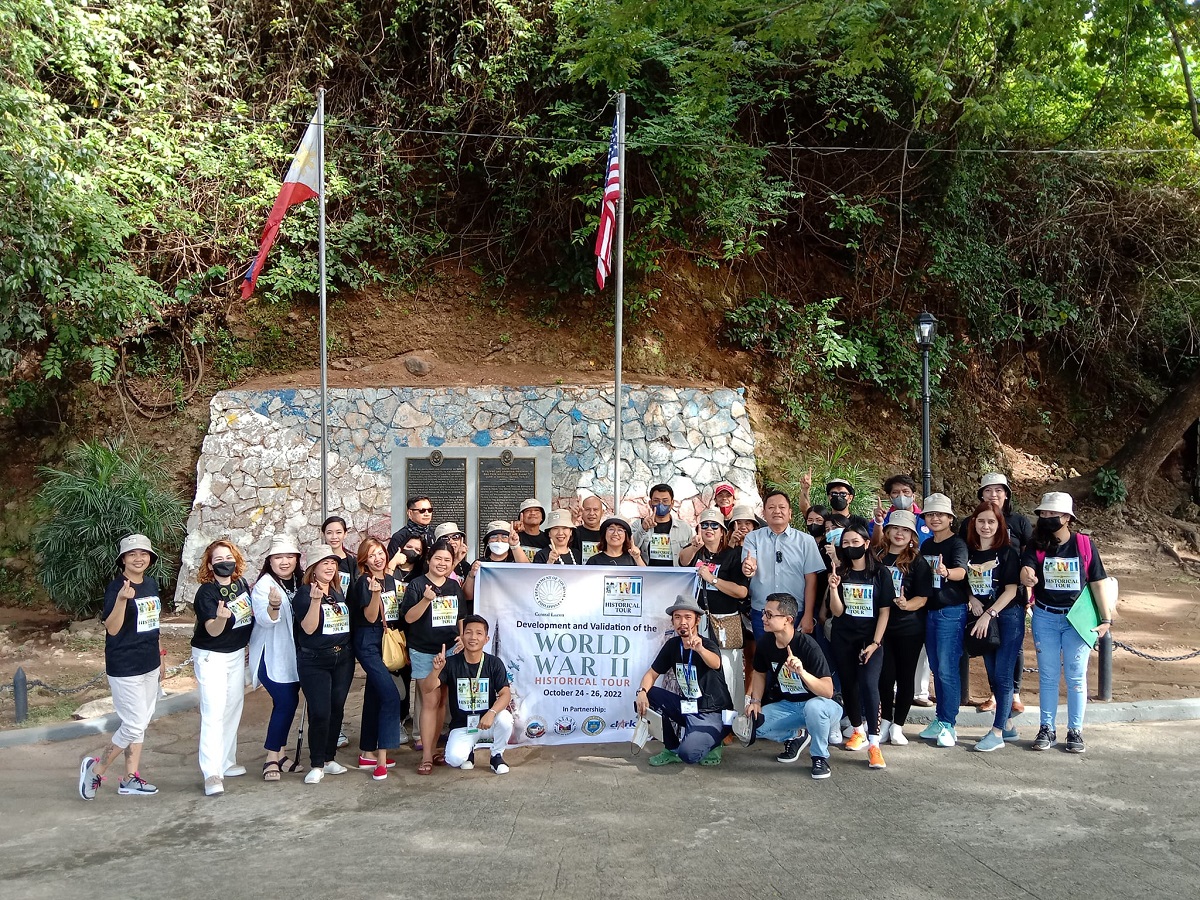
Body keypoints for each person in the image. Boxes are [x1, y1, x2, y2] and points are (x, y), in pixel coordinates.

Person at [1020, 492, 1113, 754]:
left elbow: (1097, 582)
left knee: (1076, 677)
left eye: (1052, 514)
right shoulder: (1036, 544)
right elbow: (1026, 568)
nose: (1046, 517)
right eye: (1043, 513)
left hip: (1077, 619)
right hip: (1045, 616)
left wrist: (1106, 619)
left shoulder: (1084, 544)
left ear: (1067, 518)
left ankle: (1075, 730)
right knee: (1048, 676)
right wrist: (1027, 576)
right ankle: (1046, 728)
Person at [79, 534, 164, 800]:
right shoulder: (116, 588)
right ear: (123, 560)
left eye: (144, 553)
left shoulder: (150, 584)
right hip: (125, 665)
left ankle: (130, 778)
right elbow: (112, 628)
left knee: (141, 722)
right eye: (132, 554)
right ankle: (95, 770)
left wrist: (161, 656)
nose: (139, 559)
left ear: (150, 558)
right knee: (134, 724)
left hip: (149, 662)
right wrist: (122, 600)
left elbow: (153, 624)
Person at [745, 592, 842, 780]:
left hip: (822, 704)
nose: (763, 618)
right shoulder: (766, 643)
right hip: (789, 705)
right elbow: (759, 672)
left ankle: (820, 757)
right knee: (754, 725)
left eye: (769, 615)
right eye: (764, 613)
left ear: (788, 620)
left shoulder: (807, 645)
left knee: (814, 708)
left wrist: (802, 673)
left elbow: (828, 691)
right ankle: (797, 735)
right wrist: (755, 701)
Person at [960, 472, 1032, 715]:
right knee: (990, 651)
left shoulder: (1018, 524)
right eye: (988, 490)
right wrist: (971, 598)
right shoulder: (969, 530)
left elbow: (1028, 559)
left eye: (999, 490)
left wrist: (1029, 592)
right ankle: (998, 700)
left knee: (1010, 654)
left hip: (1010, 601)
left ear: (1007, 494)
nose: (993, 494)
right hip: (981, 603)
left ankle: (1012, 699)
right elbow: (963, 566)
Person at [634, 595, 732, 766]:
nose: (682, 622)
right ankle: (672, 749)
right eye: (677, 617)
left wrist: (700, 650)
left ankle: (716, 741)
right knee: (646, 697)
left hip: (713, 712)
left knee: (689, 755)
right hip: (688, 707)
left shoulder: (708, 644)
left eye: (688, 617)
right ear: (672, 621)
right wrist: (642, 692)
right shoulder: (673, 645)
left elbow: (716, 663)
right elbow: (651, 674)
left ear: (697, 620)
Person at [827, 520, 893, 768]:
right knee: (849, 684)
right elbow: (837, 612)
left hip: (870, 639)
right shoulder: (840, 572)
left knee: (868, 683)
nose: (850, 546)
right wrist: (834, 589)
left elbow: (885, 611)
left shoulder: (881, 573)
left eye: (855, 541)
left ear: (866, 543)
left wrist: (876, 643)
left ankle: (874, 745)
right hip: (844, 637)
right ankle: (857, 730)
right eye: (845, 542)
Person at [191, 538, 254, 796]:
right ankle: (211, 772)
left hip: (236, 653)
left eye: (228, 558)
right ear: (209, 565)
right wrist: (219, 618)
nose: (224, 562)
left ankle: (226, 761)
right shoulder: (206, 593)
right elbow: (212, 630)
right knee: (214, 711)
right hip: (212, 656)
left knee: (233, 707)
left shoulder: (241, 585)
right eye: (218, 559)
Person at [402, 539, 472, 774]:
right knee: (430, 701)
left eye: (447, 560)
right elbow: (408, 618)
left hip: (450, 651)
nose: (442, 563)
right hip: (424, 652)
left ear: (452, 563)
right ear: (429, 559)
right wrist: (426, 599)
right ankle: (426, 756)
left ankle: (433, 749)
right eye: (438, 558)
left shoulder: (454, 586)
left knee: (442, 701)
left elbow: (460, 617)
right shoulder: (416, 584)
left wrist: (462, 638)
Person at [963, 502, 1024, 752]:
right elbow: (964, 583)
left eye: (991, 522)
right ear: (973, 523)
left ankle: (997, 733)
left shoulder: (1008, 553)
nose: (986, 526)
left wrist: (989, 614)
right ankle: (1007, 725)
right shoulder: (968, 552)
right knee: (991, 672)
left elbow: (1011, 590)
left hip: (1007, 616)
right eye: (981, 521)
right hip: (982, 618)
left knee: (1003, 674)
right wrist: (972, 598)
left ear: (1000, 525)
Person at [293, 543, 355, 784]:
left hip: (342, 658)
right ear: (313, 568)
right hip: (315, 661)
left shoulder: (337, 591)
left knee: (337, 708)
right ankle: (317, 763)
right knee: (320, 712)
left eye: (333, 563)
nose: (330, 567)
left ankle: (329, 759)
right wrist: (315, 602)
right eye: (324, 563)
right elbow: (308, 629)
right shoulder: (304, 593)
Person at [680, 509, 750, 709]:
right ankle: (705, 711)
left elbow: (741, 591)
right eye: (704, 525)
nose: (708, 529)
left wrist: (713, 580)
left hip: (724, 621)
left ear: (722, 531)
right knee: (699, 665)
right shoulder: (697, 551)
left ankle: (732, 715)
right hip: (698, 621)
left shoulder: (733, 555)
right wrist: (694, 546)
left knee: (727, 669)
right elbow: (682, 561)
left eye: (714, 526)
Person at [873, 511, 933, 746]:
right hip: (881, 627)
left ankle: (898, 725)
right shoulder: (877, 557)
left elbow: (923, 597)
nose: (900, 533)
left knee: (906, 676)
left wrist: (907, 605)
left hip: (909, 628)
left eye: (906, 530)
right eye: (896, 528)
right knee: (885, 677)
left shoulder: (918, 561)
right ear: (887, 531)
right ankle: (885, 721)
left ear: (912, 536)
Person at [916, 494, 971, 748]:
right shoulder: (927, 545)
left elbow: (962, 571)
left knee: (948, 668)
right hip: (930, 611)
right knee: (937, 667)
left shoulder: (957, 543)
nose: (935, 518)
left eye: (940, 514)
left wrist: (946, 572)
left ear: (950, 518)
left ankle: (949, 723)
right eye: (930, 514)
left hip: (951, 611)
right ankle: (940, 719)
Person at [248, 533, 302, 782]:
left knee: (287, 702)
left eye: (289, 556)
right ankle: (271, 756)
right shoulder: (264, 586)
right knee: (286, 701)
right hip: (271, 654)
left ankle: (280, 754)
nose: (284, 561)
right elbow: (264, 619)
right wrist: (274, 606)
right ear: (269, 561)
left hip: (294, 656)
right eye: (278, 557)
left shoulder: (301, 581)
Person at [350, 537, 404, 780]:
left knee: (374, 695)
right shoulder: (364, 582)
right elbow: (370, 617)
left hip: (387, 639)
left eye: (380, 553)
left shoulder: (391, 580)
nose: (377, 558)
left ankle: (367, 752)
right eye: (371, 555)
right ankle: (381, 759)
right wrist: (374, 594)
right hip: (368, 641)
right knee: (390, 696)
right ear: (364, 560)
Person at [740, 490, 824, 640]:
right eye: (771, 507)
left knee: (794, 654)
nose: (777, 511)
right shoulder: (753, 538)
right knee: (765, 653)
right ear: (764, 513)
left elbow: (811, 581)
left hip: (795, 613)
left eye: (782, 507)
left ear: (790, 513)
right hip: (762, 612)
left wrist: (808, 615)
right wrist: (749, 568)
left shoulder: (806, 541)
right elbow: (750, 563)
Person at [436, 615, 513, 774]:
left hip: (487, 721)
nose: (473, 637)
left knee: (505, 718)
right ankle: (469, 751)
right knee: (454, 759)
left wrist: (492, 713)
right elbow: (428, 688)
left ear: (486, 639)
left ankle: (496, 755)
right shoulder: (451, 663)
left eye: (479, 633)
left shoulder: (494, 663)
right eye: (468, 632)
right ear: (462, 636)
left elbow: (505, 694)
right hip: (463, 725)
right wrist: (436, 670)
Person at [632, 483, 696, 567]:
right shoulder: (638, 525)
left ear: (672, 503)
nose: (660, 504)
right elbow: (630, 547)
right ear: (650, 503)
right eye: (656, 501)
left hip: (676, 573)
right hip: (647, 573)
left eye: (665, 501)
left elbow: (690, 556)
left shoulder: (684, 528)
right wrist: (643, 529)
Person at [465, 521, 527, 601]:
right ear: (488, 542)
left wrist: (515, 545)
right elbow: (468, 596)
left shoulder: (516, 562)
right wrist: (471, 576)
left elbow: (527, 570)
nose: (499, 540)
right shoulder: (479, 564)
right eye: (494, 537)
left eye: (504, 537)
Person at [869, 475, 933, 543]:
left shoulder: (926, 519)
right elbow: (875, 544)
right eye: (895, 492)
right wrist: (879, 523)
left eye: (906, 491)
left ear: (913, 496)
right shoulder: (881, 520)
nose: (901, 496)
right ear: (890, 497)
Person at [322, 516, 359, 596]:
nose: (334, 537)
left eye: (338, 532)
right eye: (329, 533)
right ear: (323, 535)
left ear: (345, 534)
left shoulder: (353, 562)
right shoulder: (317, 561)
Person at [571, 495, 606, 562]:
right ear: (582, 511)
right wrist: (573, 519)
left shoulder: (607, 535)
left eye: (595, 510)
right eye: (587, 509)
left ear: (602, 512)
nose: (591, 513)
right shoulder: (574, 532)